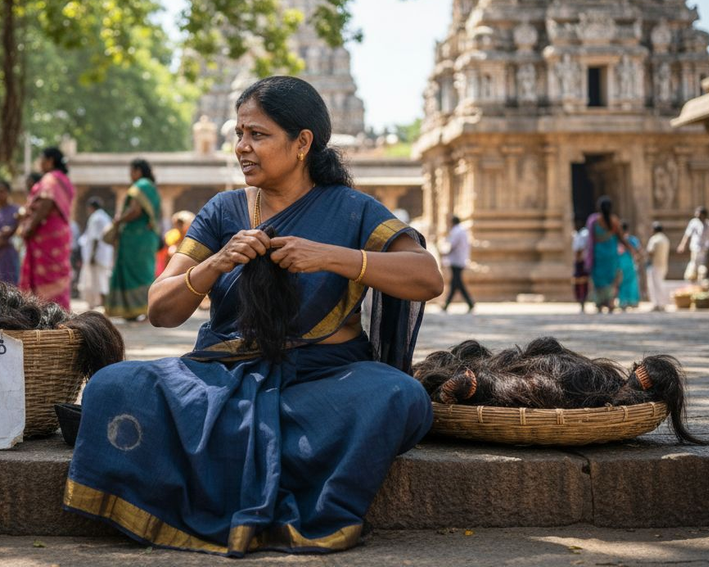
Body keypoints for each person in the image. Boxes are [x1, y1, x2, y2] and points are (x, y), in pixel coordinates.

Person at [64, 76, 442, 556]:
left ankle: (230, 451)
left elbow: (427, 277)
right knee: (111, 386)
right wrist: (216, 263)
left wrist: (329, 256)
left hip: (322, 381)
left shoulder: (352, 210)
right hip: (225, 377)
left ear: (302, 142)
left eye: (257, 135)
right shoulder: (223, 210)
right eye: (238, 134)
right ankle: (254, 451)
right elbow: (160, 310)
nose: (242, 147)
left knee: (400, 395)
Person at [18, 146, 75, 309]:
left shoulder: (51, 179)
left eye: (42, 159)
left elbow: (47, 202)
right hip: (59, 233)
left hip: (46, 234)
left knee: (47, 274)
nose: (40, 163)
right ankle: (59, 310)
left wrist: (30, 227)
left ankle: (46, 311)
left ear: (50, 161)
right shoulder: (64, 180)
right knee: (56, 273)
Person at [105, 158, 162, 320]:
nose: (130, 174)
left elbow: (135, 211)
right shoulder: (153, 189)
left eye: (131, 170)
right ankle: (138, 310)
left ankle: (137, 309)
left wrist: (119, 220)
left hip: (135, 239)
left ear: (138, 171)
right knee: (145, 273)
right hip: (147, 237)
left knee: (134, 273)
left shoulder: (140, 186)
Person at [585, 196, 628, 313]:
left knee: (599, 279)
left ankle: (599, 303)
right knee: (611, 279)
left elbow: (590, 240)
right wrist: (632, 249)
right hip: (611, 255)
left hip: (598, 255)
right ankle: (610, 302)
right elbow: (621, 238)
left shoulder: (594, 221)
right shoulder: (614, 220)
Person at [78, 196, 114, 308]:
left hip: (96, 256)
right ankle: (101, 304)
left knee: (97, 281)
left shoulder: (96, 218)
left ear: (90, 207)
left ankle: (100, 304)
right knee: (102, 279)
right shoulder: (105, 217)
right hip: (104, 255)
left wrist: (92, 256)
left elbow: (95, 238)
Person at [440, 215, 474, 313]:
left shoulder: (456, 231)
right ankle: (468, 303)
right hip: (460, 259)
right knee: (456, 283)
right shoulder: (463, 230)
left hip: (456, 260)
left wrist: (444, 252)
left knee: (456, 283)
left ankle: (447, 305)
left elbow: (452, 245)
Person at [678, 206, 709, 283]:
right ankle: (692, 280)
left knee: (701, 266)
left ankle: (699, 280)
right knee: (695, 263)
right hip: (695, 248)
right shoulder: (694, 223)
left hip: (704, 249)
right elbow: (687, 235)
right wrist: (682, 245)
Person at [646, 221, 672, 312]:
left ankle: (657, 304)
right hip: (663, 265)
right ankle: (662, 303)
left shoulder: (654, 239)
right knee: (660, 284)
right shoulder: (665, 239)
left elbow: (650, 251)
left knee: (654, 285)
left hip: (654, 265)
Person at [617, 221, 641, 310]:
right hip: (631, 263)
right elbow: (638, 251)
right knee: (632, 282)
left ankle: (623, 301)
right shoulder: (633, 239)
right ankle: (633, 301)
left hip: (621, 264)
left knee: (622, 282)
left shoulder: (619, 241)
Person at [572, 217, 591, 313]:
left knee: (583, 282)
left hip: (582, 260)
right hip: (578, 261)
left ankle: (583, 300)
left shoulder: (584, 234)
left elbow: (581, 248)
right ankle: (580, 300)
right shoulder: (575, 234)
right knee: (578, 282)